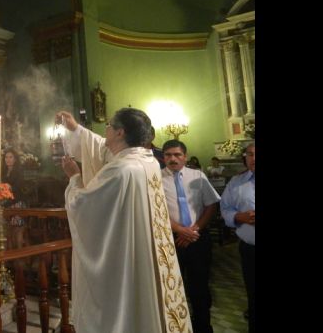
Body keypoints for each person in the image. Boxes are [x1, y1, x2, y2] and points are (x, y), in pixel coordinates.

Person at [56, 108, 191, 333]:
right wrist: (76, 129)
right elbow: (102, 149)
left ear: (120, 133)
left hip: (128, 259)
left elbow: (83, 205)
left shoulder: (122, 170)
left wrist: (74, 177)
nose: (105, 130)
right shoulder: (146, 161)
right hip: (145, 254)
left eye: (109, 125)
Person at [161, 139, 221, 333]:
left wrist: (194, 230)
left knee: (200, 286)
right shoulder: (155, 179)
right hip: (171, 240)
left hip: (198, 238)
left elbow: (211, 205)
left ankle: (203, 326)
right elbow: (155, 211)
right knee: (171, 287)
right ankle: (176, 327)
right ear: (163, 158)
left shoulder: (198, 176)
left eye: (177, 154)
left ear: (184, 156)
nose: (173, 159)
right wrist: (179, 229)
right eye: (168, 155)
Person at [221, 142, 255, 332]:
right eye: (250, 154)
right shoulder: (236, 182)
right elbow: (225, 208)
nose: (254, 158)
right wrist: (238, 216)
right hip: (250, 249)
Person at [3, 149, 28, 249]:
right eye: (6, 157)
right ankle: (11, 257)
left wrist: (9, 187)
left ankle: (20, 257)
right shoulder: (3, 171)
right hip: (7, 203)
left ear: (15, 159)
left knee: (18, 230)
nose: (8, 159)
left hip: (17, 202)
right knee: (8, 231)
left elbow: (19, 186)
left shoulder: (18, 171)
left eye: (10, 157)